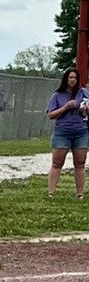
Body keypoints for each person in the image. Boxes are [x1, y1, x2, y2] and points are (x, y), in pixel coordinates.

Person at [45, 67, 89, 200]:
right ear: (66, 79)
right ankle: (51, 192)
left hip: (81, 131)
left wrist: (85, 109)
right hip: (62, 132)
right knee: (57, 163)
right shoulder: (57, 95)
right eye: (70, 77)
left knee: (80, 163)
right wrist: (66, 107)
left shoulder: (84, 93)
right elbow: (51, 114)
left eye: (75, 78)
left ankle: (80, 193)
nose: (73, 80)